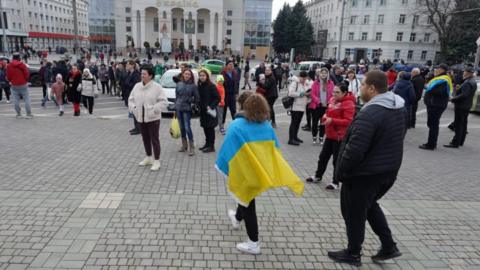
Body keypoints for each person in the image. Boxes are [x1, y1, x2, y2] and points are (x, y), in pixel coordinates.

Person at [328, 71, 406, 266]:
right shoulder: (398, 107)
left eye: (362, 84)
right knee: (369, 206)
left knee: (354, 212)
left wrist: (340, 173)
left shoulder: (370, 113)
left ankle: (353, 253)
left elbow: (354, 150)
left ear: (372, 88)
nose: (360, 87)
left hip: (364, 174)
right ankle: (389, 246)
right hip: (387, 171)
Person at [217, 93, 304, 255]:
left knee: (248, 203)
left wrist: (222, 166)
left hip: (245, 172)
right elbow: (274, 149)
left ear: (244, 106)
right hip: (260, 171)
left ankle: (253, 243)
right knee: (245, 198)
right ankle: (236, 218)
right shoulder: (267, 126)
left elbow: (226, 150)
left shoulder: (236, 125)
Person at [305, 81, 355, 189]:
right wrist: (325, 116)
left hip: (339, 136)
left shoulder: (349, 104)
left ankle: (335, 181)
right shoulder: (332, 99)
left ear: (344, 93)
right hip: (330, 134)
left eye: (337, 92)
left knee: (336, 160)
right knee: (323, 157)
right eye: (333, 91)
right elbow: (328, 111)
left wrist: (332, 120)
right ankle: (318, 176)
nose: (334, 94)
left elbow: (348, 121)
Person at [129, 66, 167, 171]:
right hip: (140, 117)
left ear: (150, 75)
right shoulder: (137, 86)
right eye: (141, 74)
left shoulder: (157, 87)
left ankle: (157, 161)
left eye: (144, 74)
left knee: (154, 139)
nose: (142, 76)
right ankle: (149, 157)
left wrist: (153, 109)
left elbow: (163, 102)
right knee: (145, 138)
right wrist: (134, 108)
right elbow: (131, 99)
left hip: (153, 118)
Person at [419, 64, 452, 150]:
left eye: (437, 69)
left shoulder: (443, 80)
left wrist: (429, 87)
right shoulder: (439, 78)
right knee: (432, 124)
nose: (436, 70)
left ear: (442, 70)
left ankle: (431, 144)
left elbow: (440, 92)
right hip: (434, 104)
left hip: (436, 105)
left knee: (433, 124)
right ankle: (432, 143)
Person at [444, 66, 477, 148]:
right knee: (463, 124)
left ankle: (455, 142)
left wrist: (453, 99)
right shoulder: (472, 81)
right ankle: (460, 141)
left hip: (461, 106)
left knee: (459, 125)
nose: (463, 73)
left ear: (468, 73)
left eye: (464, 72)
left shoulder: (468, 82)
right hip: (466, 106)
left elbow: (464, 95)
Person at [175, 69, 200, 156]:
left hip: (186, 109)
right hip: (178, 109)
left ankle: (192, 147)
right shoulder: (178, 84)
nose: (187, 75)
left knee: (187, 128)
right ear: (183, 75)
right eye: (186, 74)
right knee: (181, 128)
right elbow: (177, 97)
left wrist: (189, 100)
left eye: (189, 74)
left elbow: (197, 99)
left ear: (191, 76)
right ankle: (184, 145)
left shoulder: (193, 86)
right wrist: (176, 106)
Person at [309, 68, 334, 145]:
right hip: (316, 106)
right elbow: (312, 94)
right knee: (315, 122)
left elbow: (333, 94)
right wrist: (319, 102)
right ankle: (314, 137)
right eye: (322, 73)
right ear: (319, 74)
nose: (323, 74)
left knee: (323, 123)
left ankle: (321, 137)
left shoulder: (331, 83)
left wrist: (328, 102)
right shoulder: (315, 83)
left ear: (327, 74)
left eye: (325, 73)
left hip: (326, 106)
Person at [198, 69, 220, 153]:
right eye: (200, 75)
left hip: (210, 111)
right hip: (203, 112)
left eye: (203, 75)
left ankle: (211, 146)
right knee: (205, 128)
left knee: (210, 129)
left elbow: (217, 98)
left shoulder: (211, 86)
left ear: (207, 76)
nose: (202, 77)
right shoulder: (200, 85)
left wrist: (211, 106)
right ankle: (207, 144)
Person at [288, 71, 312, 145]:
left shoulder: (306, 84)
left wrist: (309, 95)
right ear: (299, 77)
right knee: (294, 123)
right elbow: (290, 93)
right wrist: (303, 94)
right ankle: (291, 139)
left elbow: (308, 92)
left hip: (302, 106)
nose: (304, 80)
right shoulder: (295, 83)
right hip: (295, 106)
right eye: (303, 78)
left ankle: (295, 137)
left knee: (298, 123)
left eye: (305, 79)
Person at [6, 53, 32, 119]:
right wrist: (26, 80)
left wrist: (10, 80)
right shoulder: (22, 64)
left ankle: (18, 114)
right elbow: (27, 74)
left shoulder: (9, 65)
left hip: (14, 84)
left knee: (15, 100)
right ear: (19, 58)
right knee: (26, 99)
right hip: (23, 83)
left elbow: (8, 76)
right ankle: (28, 114)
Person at [124, 60, 142, 134]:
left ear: (132, 65)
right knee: (133, 112)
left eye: (128, 65)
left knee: (136, 111)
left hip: (136, 95)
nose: (126, 66)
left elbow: (135, 84)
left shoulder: (136, 74)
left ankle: (139, 129)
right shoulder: (129, 73)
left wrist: (127, 83)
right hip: (129, 94)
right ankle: (136, 127)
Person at [221, 61, 239, 126]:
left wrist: (236, 93)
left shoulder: (235, 73)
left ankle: (235, 123)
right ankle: (222, 124)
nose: (231, 66)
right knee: (224, 110)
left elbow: (237, 84)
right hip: (225, 95)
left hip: (232, 95)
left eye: (232, 64)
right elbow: (219, 85)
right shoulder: (222, 73)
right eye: (230, 64)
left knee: (233, 109)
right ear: (226, 66)